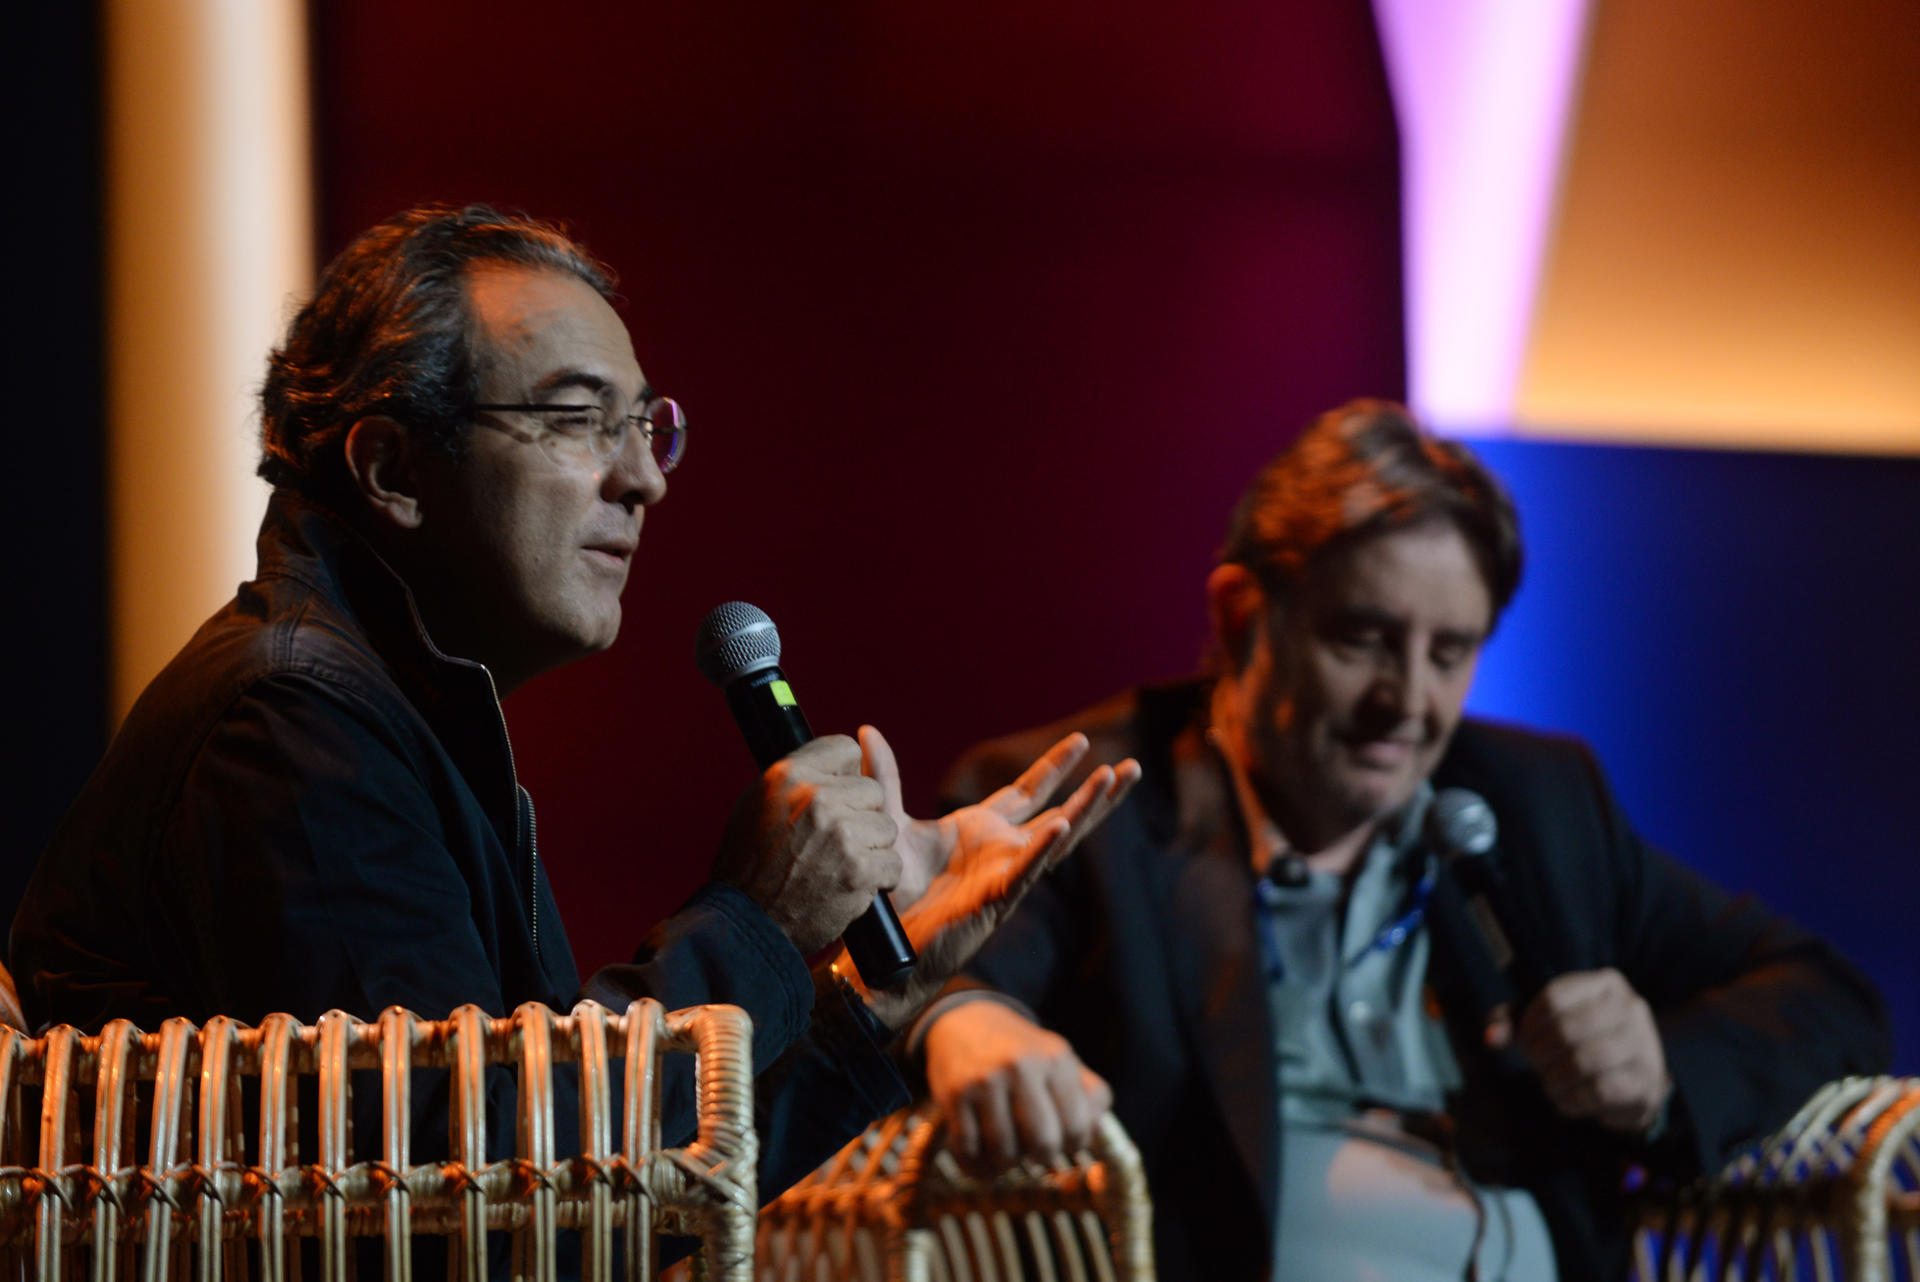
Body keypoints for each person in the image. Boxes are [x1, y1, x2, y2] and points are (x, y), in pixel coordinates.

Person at [8, 204, 1137, 1226]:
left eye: (649, 426)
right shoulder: (293, 724)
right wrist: (753, 916)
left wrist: (879, 992)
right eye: (578, 419)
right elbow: (473, 1196)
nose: (643, 478)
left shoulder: (406, 712)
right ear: (395, 466)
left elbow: (608, 1197)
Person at [915, 400, 1890, 1282]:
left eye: (1449, 653)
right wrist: (960, 1018)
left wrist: (1659, 1069)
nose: (1408, 704)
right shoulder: (1090, 799)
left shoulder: (1541, 802)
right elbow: (910, 969)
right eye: (1365, 640)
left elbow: (1824, 993)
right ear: (1244, 617)